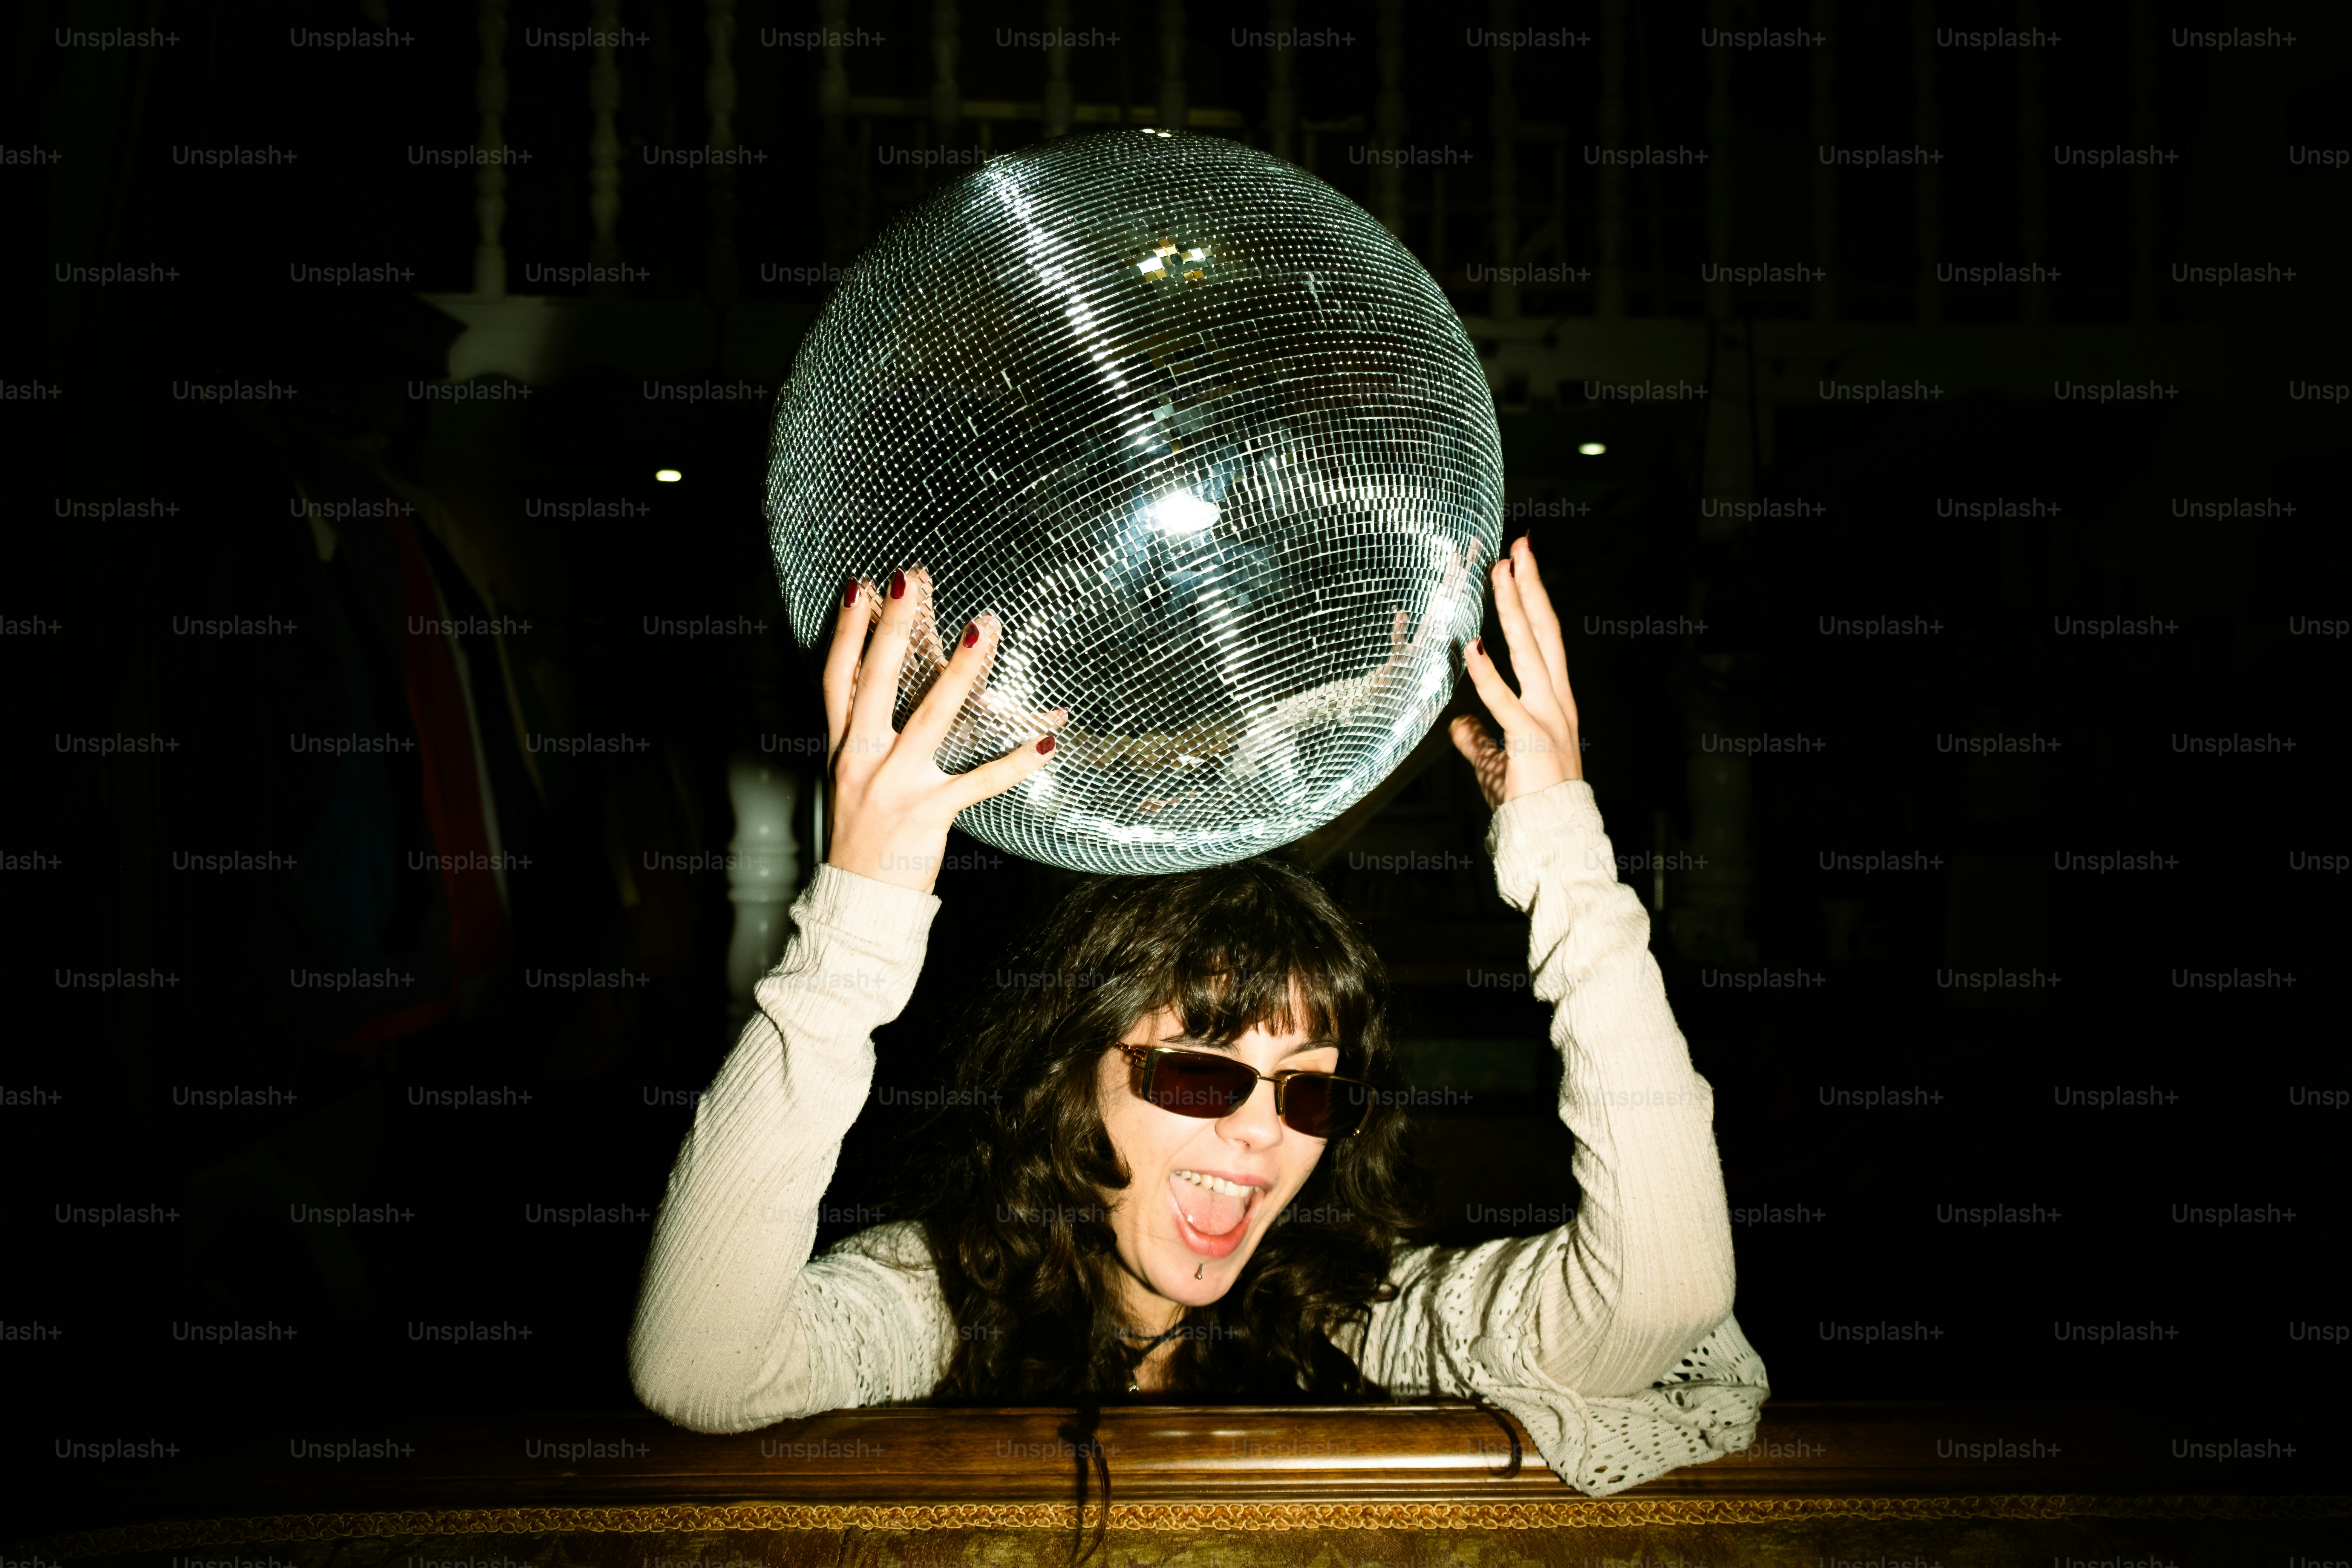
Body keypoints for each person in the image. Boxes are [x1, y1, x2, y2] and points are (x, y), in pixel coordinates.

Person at [627, 536, 1768, 1494]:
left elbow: (1661, 1292)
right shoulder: (941, 1302)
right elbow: (702, 1365)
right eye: (1200, 1075)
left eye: (1313, 1088)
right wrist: (860, 915)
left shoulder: (1354, 1319)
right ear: (1071, 1074)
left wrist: (1564, 851)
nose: (1265, 1134)